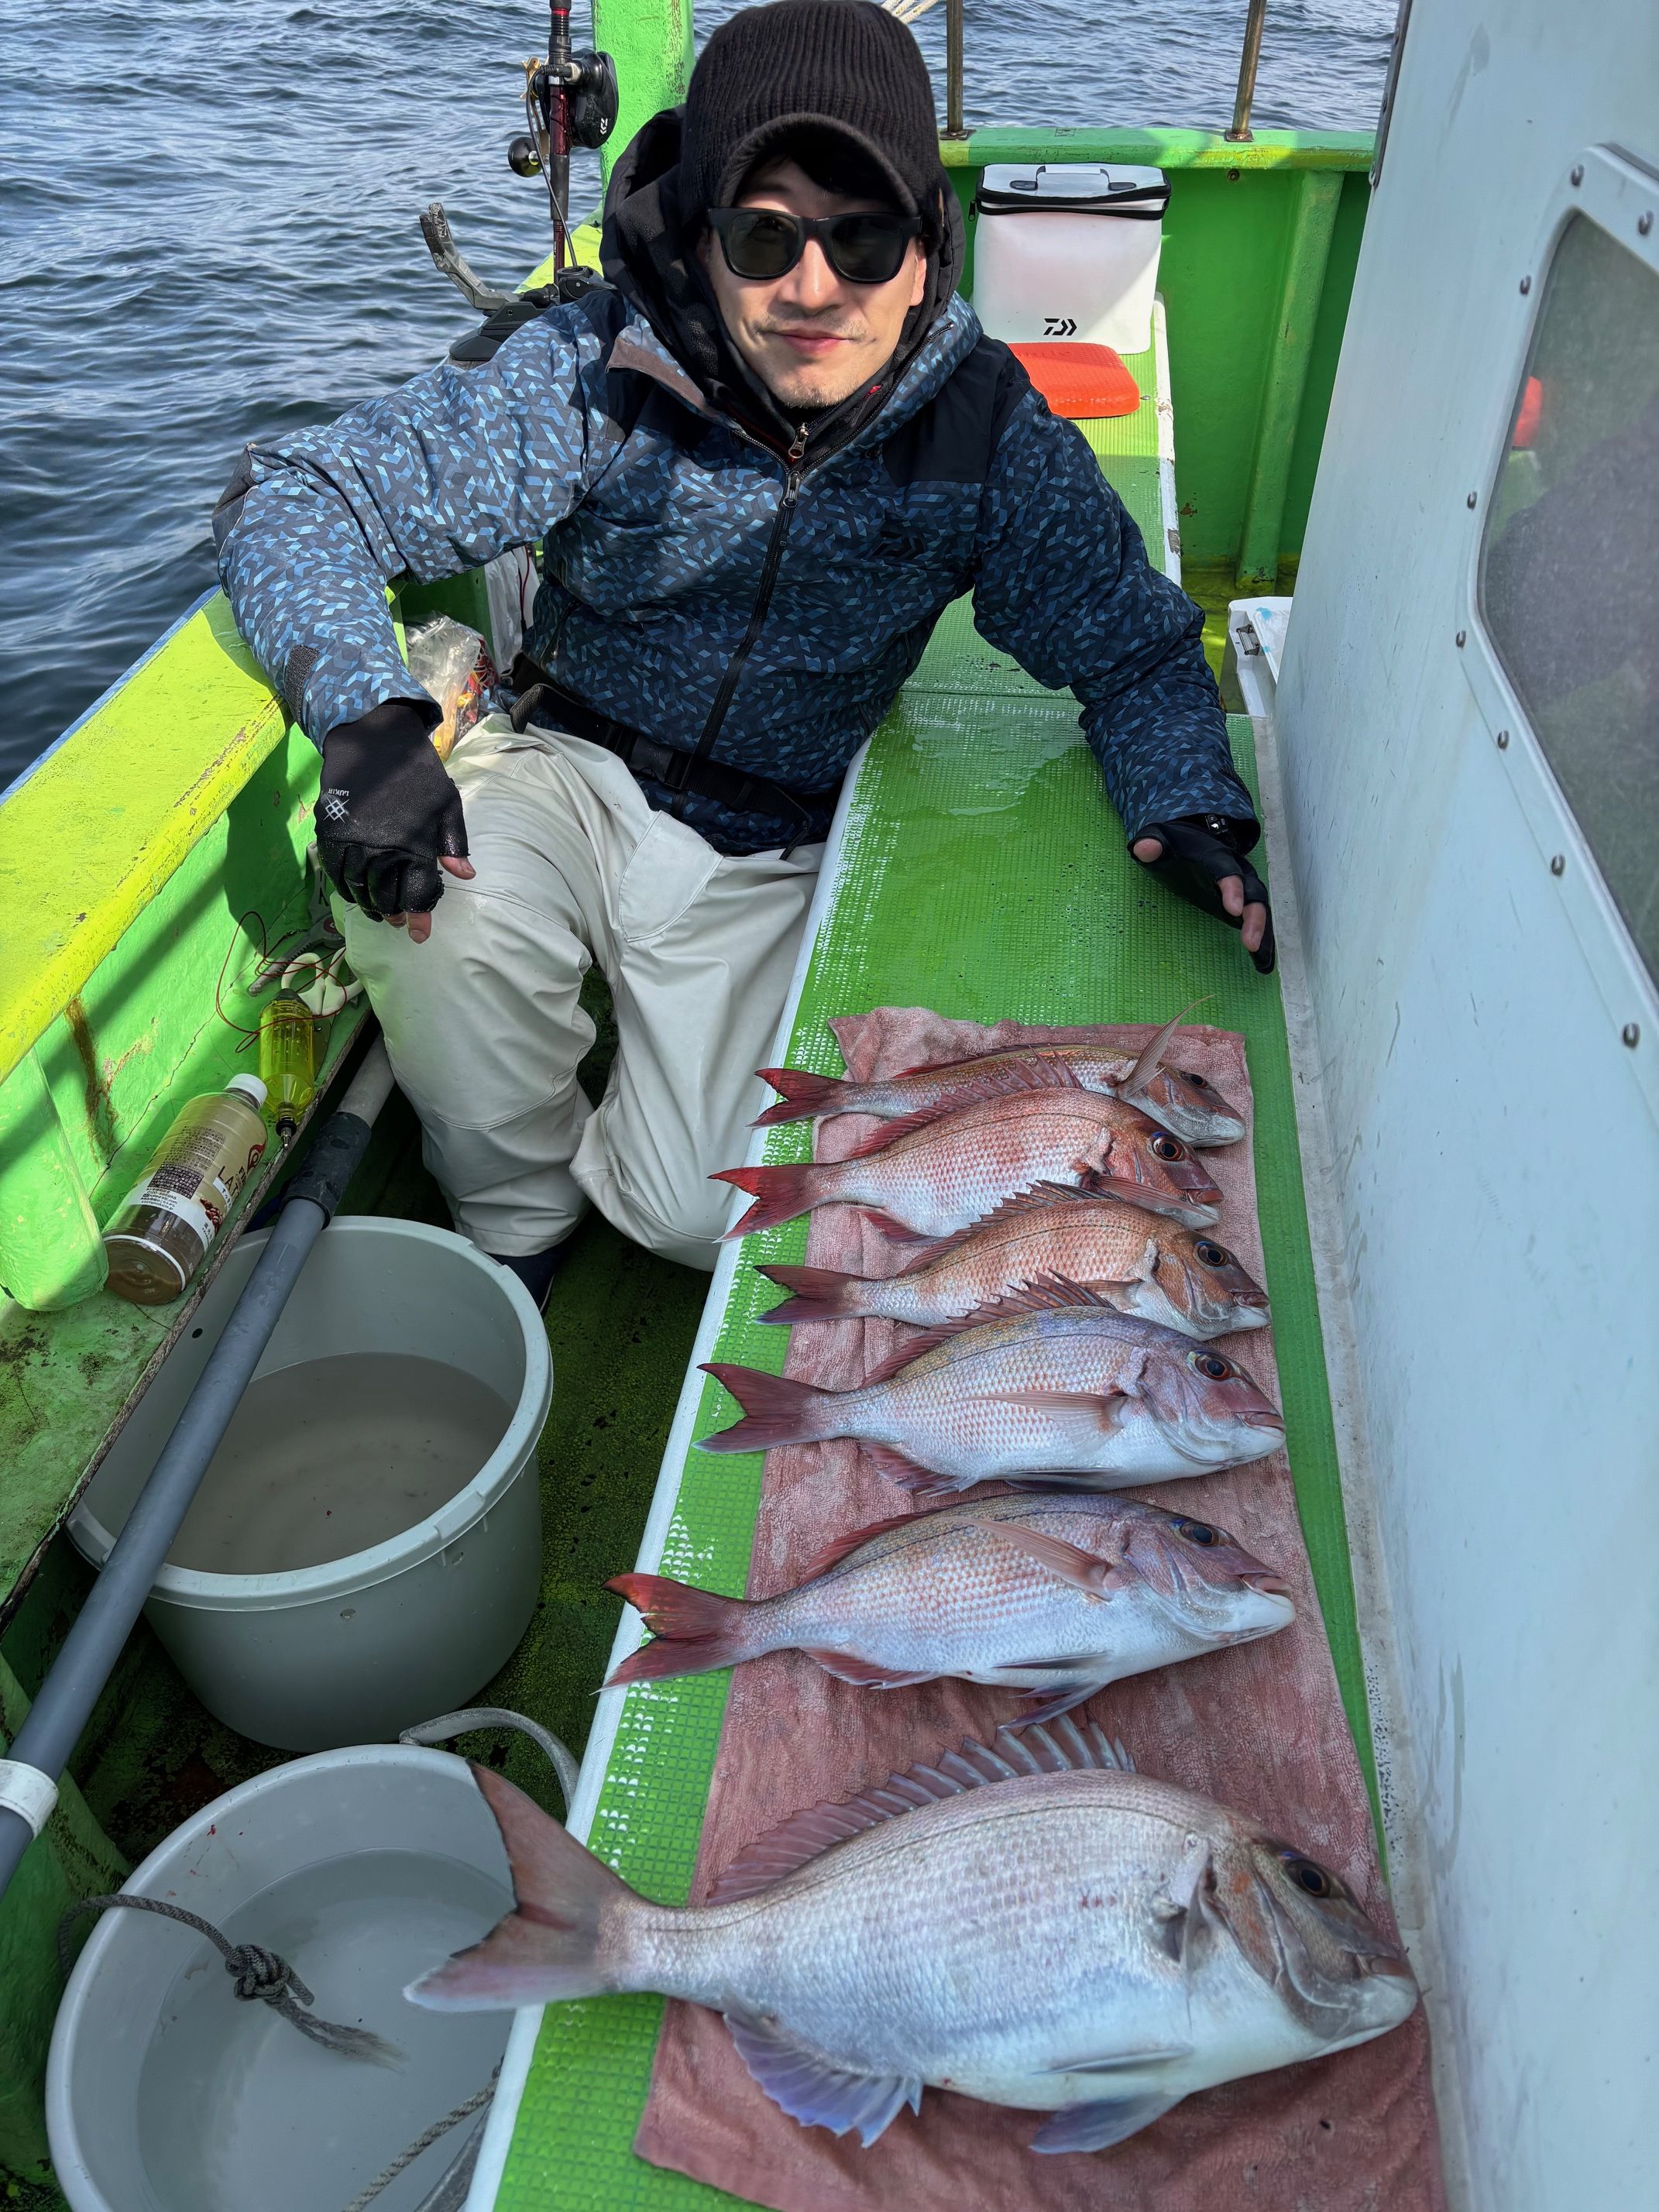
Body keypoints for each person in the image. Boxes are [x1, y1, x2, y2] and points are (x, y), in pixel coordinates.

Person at [215, 0, 1272, 1304]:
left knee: (702, 1214)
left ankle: (627, 1135)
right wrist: (368, 724)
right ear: (698, 236)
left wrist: (1184, 798)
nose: (813, 288)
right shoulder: (597, 365)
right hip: (565, 766)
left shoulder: (984, 430)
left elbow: (1135, 646)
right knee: (432, 918)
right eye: (762, 236)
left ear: (926, 249)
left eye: (861, 237)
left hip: (771, 839)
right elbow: (302, 493)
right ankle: (518, 1220)